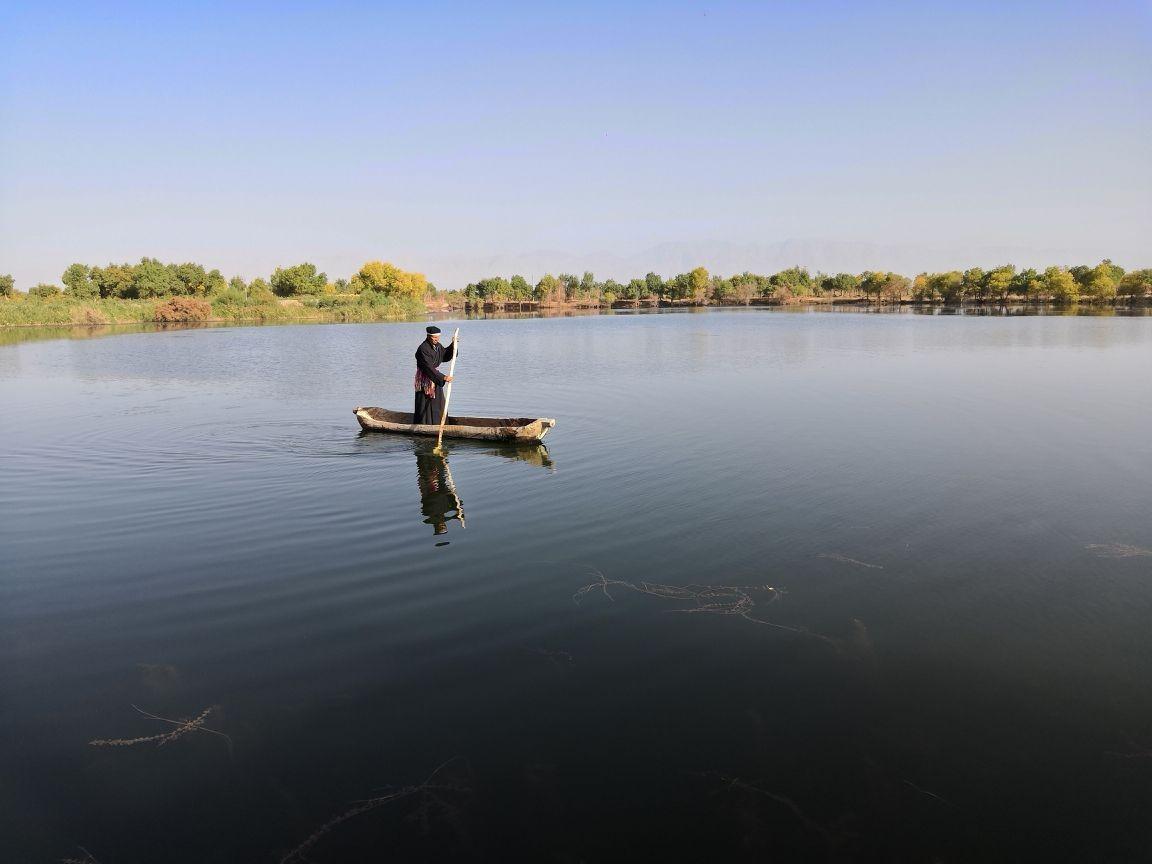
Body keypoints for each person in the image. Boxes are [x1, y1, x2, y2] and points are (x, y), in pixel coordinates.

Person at [413, 325, 455, 425]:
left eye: (438, 337)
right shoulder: (423, 348)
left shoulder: (437, 346)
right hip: (425, 379)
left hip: (435, 378)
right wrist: (443, 377)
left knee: (438, 403)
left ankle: (438, 423)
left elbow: (444, 355)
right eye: (434, 337)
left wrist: (453, 345)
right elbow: (428, 367)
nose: (436, 339)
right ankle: (424, 424)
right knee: (425, 402)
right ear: (428, 336)